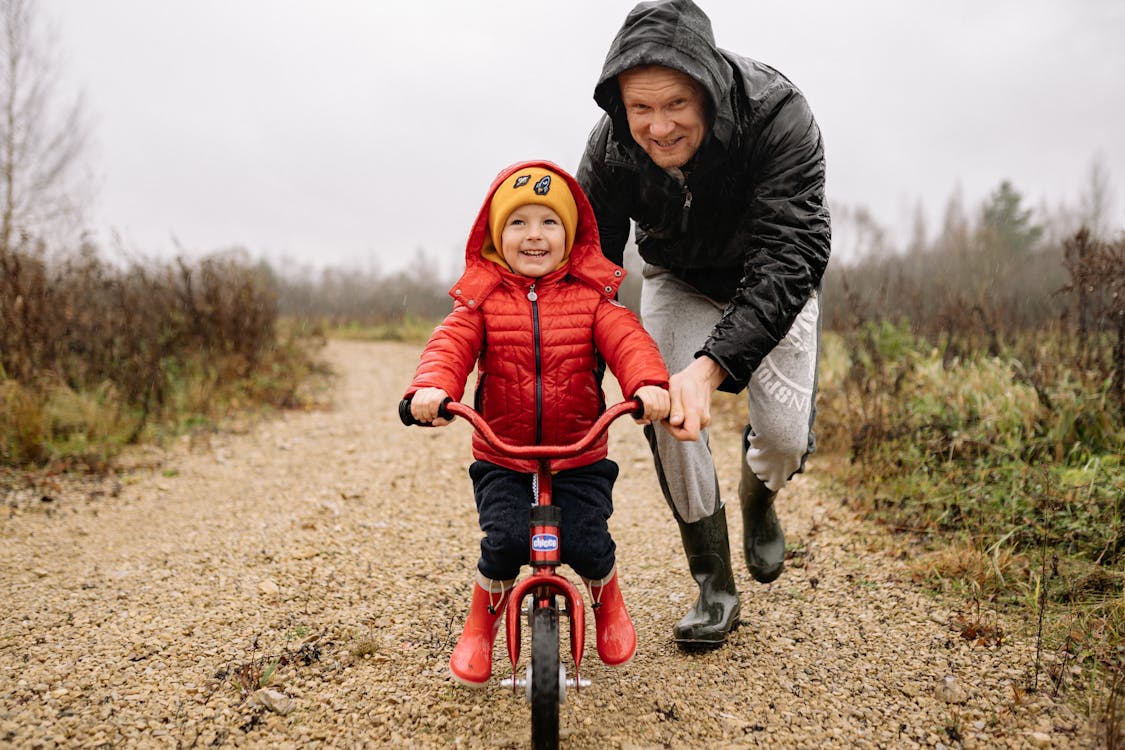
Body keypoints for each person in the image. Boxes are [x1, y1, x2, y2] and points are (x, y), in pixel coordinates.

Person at [576, 0, 831, 649]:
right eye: (640, 109)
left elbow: (792, 251)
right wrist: (575, 379)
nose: (657, 128)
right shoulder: (609, 149)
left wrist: (710, 366)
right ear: (619, 103)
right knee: (668, 414)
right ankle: (713, 581)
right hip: (676, 279)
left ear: (708, 90)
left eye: (675, 106)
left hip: (771, 278)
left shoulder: (777, 113)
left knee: (781, 438)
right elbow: (589, 269)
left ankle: (758, 498)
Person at [403, 160, 671, 687]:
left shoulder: (593, 300)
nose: (534, 235)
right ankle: (481, 623)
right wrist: (432, 388)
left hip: (579, 453)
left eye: (549, 223)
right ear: (496, 236)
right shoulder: (481, 303)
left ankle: (606, 597)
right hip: (504, 455)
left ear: (570, 237)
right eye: (518, 222)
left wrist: (647, 385)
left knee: (589, 541)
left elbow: (628, 341)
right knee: (503, 541)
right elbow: (449, 345)